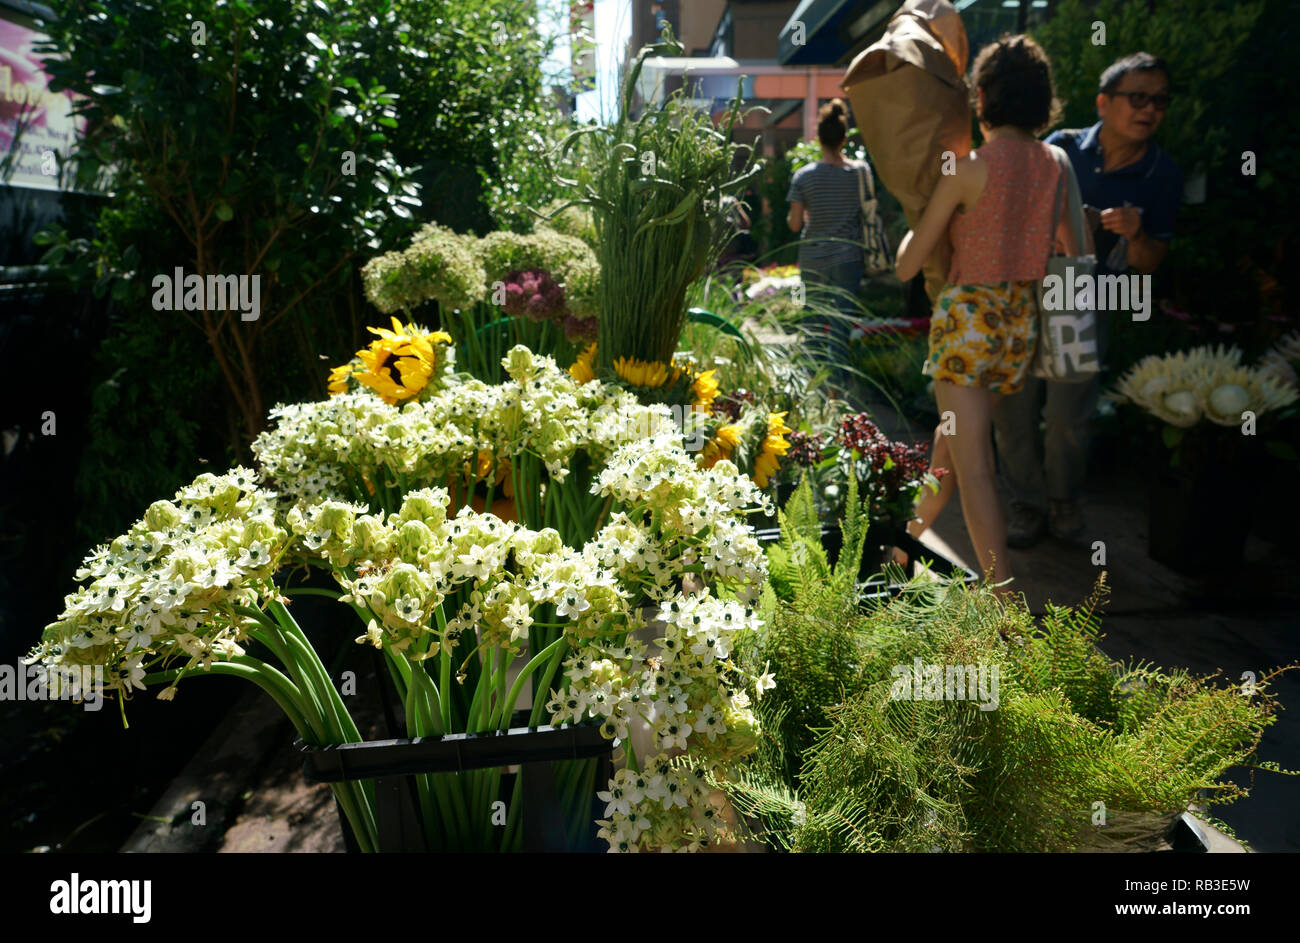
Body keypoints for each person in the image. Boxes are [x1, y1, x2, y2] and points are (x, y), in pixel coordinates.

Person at [895, 34, 1075, 591]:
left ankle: (1005, 604)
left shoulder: (968, 168)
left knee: (974, 471)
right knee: (948, 458)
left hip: (966, 329)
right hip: (1016, 329)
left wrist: (922, 210)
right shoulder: (1057, 163)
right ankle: (899, 552)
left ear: (982, 97)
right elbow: (1073, 246)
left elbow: (906, 266)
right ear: (1043, 100)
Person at [993, 52, 1183, 546]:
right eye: (1137, 97)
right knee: (1011, 404)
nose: (1150, 109)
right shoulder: (1060, 147)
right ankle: (1026, 503)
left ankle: (1064, 501)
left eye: (1160, 100)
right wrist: (1059, 221)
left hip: (1087, 291)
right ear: (1104, 102)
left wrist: (1137, 234)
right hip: (1027, 285)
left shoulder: (1163, 174)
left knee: (1067, 415)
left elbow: (1149, 265)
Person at [786, 100, 873, 379]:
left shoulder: (804, 177)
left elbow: (795, 223)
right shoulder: (859, 173)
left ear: (818, 138)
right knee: (840, 324)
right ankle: (836, 390)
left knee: (812, 319)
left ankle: (810, 384)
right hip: (849, 257)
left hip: (813, 258)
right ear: (844, 139)